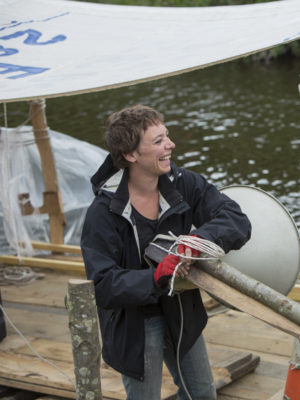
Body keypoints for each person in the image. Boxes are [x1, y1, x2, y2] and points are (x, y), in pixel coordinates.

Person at [81, 105, 251, 400]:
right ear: (131, 155)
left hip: (182, 310)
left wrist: (197, 241)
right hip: (135, 322)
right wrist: (156, 276)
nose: (170, 145)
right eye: (158, 141)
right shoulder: (102, 213)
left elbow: (235, 219)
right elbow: (103, 285)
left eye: (167, 136)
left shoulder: (184, 183)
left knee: (202, 394)